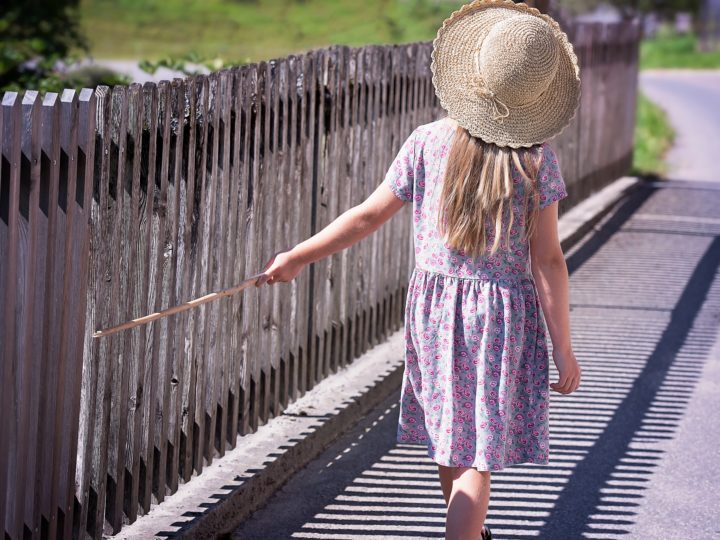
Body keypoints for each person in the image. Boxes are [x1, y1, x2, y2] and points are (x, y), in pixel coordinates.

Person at [255, 1, 582, 538]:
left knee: (452, 438)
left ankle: (469, 533)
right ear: (537, 97)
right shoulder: (535, 159)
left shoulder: (427, 141)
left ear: (472, 74)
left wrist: (297, 256)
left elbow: (365, 218)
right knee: (479, 454)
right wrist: (562, 345)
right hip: (501, 319)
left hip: (436, 313)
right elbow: (547, 258)